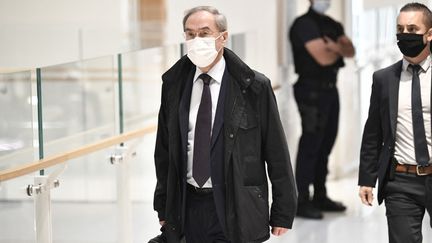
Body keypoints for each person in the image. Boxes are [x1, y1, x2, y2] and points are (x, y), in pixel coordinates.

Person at [152, 6, 297, 243]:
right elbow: (164, 151)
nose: (196, 40)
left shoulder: (253, 86)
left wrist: (283, 210)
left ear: (223, 37)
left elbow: (276, 150)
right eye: (190, 34)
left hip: (235, 202)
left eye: (205, 33)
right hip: (188, 203)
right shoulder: (174, 84)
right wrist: (162, 204)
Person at [359, 3, 432, 243]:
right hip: (400, 180)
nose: (405, 35)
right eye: (400, 29)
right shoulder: (383, 79)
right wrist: (367, 179)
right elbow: (373, 132)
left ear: (429, 34)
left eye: (413, 28)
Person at [288, 0, 355, 219]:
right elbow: (324, 58)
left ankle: (320, 195)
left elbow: (350, 50)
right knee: (311, 143)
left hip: (329, 89)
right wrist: (338, 50)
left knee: (326, 142)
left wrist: (333, 47)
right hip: (310, 90)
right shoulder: (303, 24)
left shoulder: (332, 23)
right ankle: (301, 200)